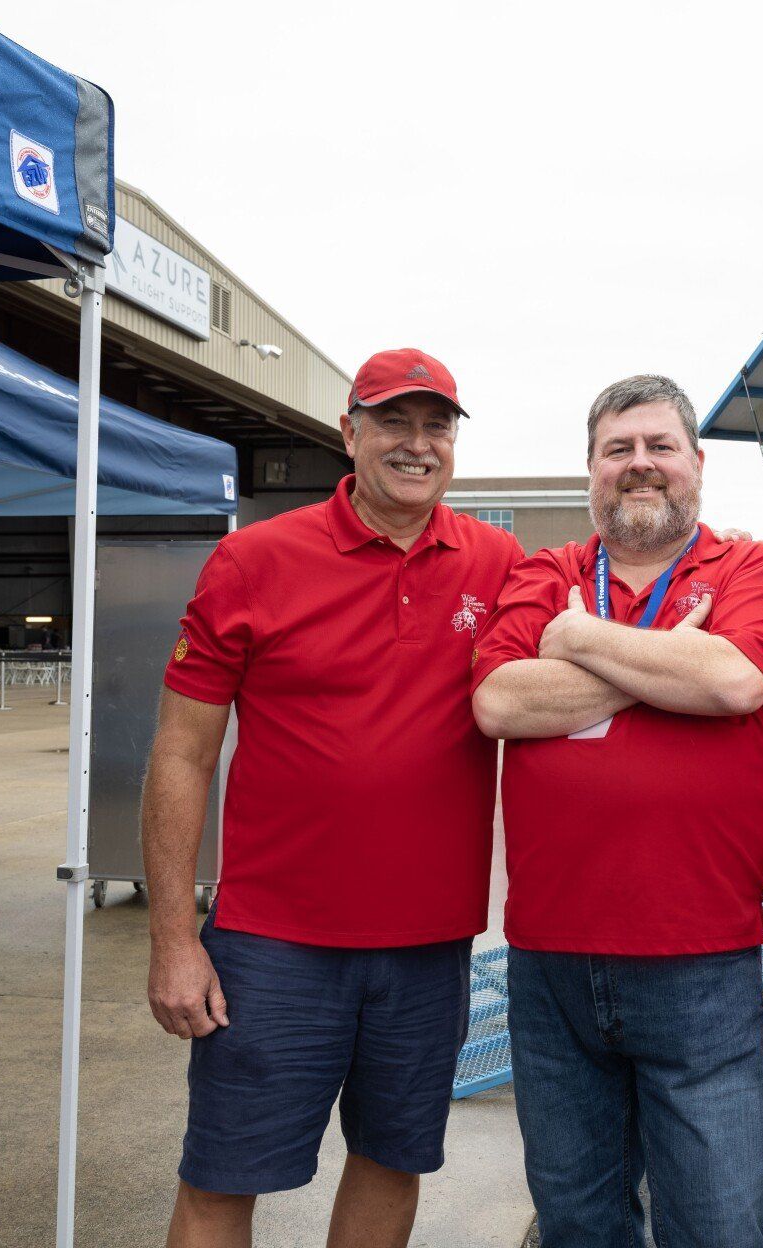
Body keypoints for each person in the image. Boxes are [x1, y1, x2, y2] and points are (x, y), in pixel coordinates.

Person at [140, 348, 523, 1248]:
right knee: (223, 1176)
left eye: (437, 427)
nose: (416, 444)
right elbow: (181, 753)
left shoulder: (496, 561)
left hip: (431, 946)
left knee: (394, 1161)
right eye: (394, 421)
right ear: (348, 434)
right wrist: (172, 941)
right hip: (275, 944)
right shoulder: (252, 560)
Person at [471, 375, 763, 1248]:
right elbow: (500, 704)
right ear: (591, 470)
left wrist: (578, 639)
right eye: (619, 449)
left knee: (720, 1225)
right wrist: (666, 667)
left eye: (660, 447)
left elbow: (733, 683)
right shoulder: (546, 571)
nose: (640, 465)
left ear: (697, 462)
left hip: (699, 961)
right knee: (579, 1222)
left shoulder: (749, 570)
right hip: (550, 962)